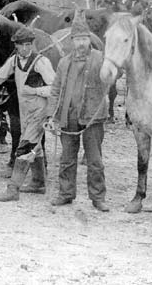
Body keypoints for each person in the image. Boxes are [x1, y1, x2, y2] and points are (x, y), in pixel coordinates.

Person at [0, 27, 56, 201]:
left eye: (28, 45)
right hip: (25, 111)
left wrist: (35, 91)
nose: (25, 49)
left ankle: (13, 189)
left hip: (39, 112)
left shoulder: (41, 62)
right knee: (36, 147)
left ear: (32, 45)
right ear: (16, 46)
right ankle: (38, 183)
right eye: (21, 45)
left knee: (25, 147)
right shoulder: (14, 61)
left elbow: (55, 88)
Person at [46, 19, 111, 212]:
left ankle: (98, 198)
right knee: (67, 158)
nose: (81, 43)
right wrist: (51, 115)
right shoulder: (64, 62)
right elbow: (56, 89)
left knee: (95, 160)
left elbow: (115, 73)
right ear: (72, 41)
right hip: (69, 116)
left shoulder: (101, 58)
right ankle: (66, 194)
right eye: (77, 39)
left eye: (84, 39)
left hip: (93, 116)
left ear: (89, 40)